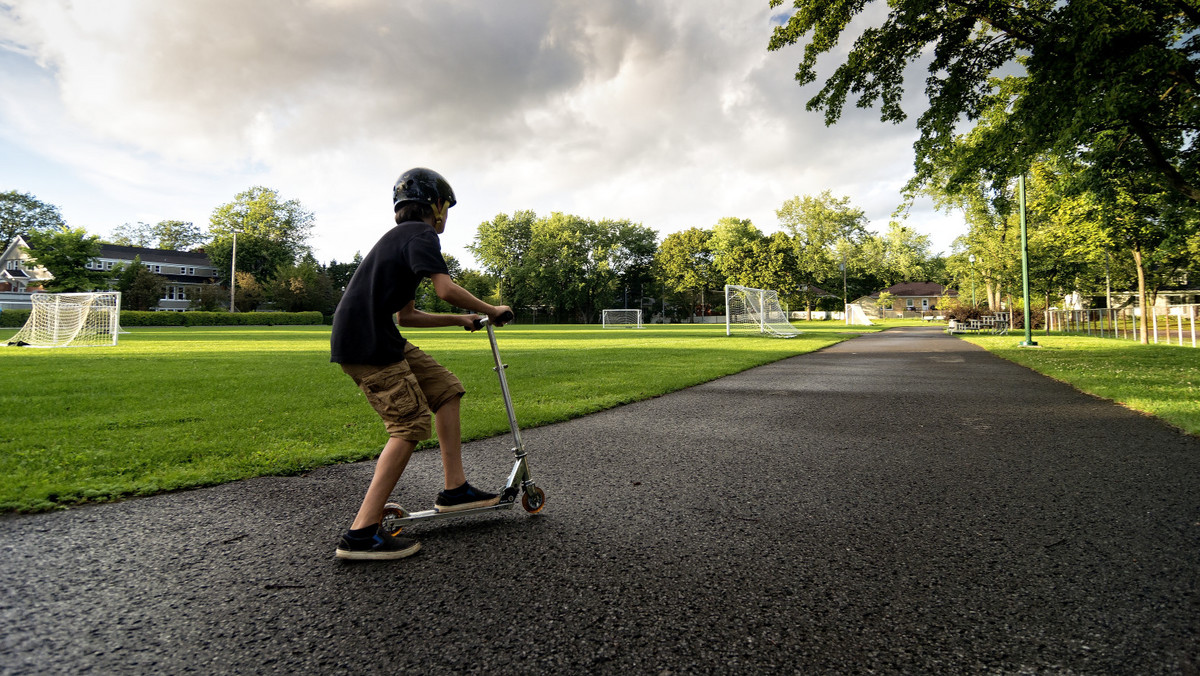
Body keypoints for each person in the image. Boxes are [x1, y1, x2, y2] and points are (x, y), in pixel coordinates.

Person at [330, 167, 511, 561]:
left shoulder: (402, 239)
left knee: (446, 389)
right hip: (367, 344)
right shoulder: (422, 234)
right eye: (446, 207)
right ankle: (360, 534)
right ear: (437, 207)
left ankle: (455, 490)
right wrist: (491, 309)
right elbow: (446, 289)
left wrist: (462, 320)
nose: (445, 216)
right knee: (408, 425)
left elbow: (406, 316)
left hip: (381, 336)